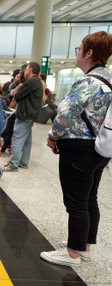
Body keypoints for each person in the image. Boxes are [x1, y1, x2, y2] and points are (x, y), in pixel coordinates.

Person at [41, 31, 111, 267]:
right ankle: (84, 245)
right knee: (90, 197)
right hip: (101, 146)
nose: (77, 52)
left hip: (79, 146)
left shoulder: (87, 82)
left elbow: (66, 113)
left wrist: (53, 136)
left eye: (79, 48)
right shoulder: (109, 79)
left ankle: (72, 253)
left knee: (76, 202)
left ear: (89, 52)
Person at [3, 62, 43, 171]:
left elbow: (18, 95)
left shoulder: (31, 81)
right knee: (27, 141)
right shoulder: (36, 81)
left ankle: (13, 164)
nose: (24, 72)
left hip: (25, 115)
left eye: (26, 70)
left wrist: (18, 90)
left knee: (17, 138)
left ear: (30, 70)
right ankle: (24, 162)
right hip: (29, 115)